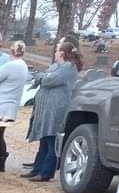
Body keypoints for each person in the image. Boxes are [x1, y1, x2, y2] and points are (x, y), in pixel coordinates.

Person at [23, 41, 82, 182]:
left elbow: (50, 80)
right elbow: (44, 76)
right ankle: (37, 169)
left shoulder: (68, 67)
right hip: (47, 110)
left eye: (56, 50)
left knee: (51, 141)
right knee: (44, 140)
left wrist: (42, 77)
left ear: (62, 53)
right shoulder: (58, 66)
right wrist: (43, 76)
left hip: (56, 111)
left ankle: (46, 173)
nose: (54, 53)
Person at [0, 40, 30, 172]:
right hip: (10, 107)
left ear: (11, 51)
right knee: (0, 135)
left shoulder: (10, 66)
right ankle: (0, 161)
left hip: (0, 106)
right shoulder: (23, 66)